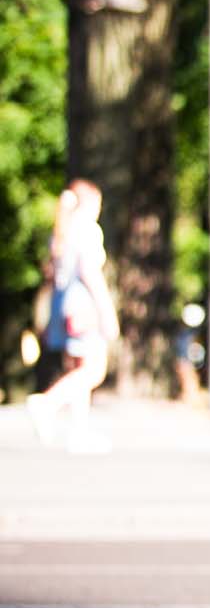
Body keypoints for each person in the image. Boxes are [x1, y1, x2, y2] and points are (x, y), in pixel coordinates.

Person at [27, 179, 120, 453]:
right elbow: (90, 273)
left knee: (77, 367)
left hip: (64, 306)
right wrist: (106, 310)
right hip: (84, 306)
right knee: (93, 369)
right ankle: (47, 403)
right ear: (91, 203)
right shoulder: (87, 230)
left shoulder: (62, 232)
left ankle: (79, 432)